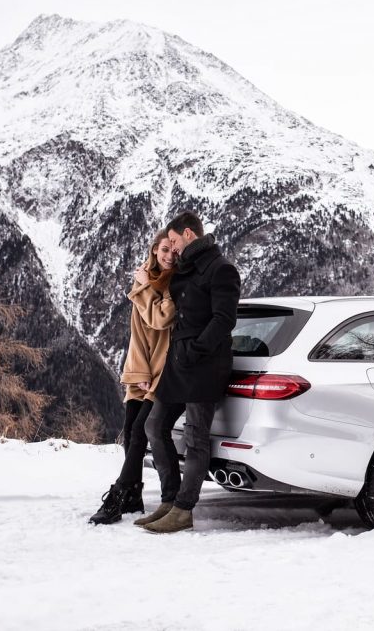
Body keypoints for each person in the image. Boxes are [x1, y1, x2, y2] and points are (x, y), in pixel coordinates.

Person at [135, 211, 241, 534]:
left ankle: (184, 510)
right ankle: (169, 499)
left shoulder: (221, 270)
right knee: (154, 425)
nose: (172, 247)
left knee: (196, 439)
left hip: (205, 365)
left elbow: (224, 319)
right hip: (179, 365)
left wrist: (196, 350)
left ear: (189, 235)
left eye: (175, 241)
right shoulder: (187, 268)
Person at [88, 228, 177, 525]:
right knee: (130, 432)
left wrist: (144, 288)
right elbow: (138, 334)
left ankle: (117, 495)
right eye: (164, 250)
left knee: (141, 430)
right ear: (154, 250)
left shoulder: (174, 283)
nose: (168, 256)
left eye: (173, 251)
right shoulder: (144, 280)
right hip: (144, 367)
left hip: (165, 369)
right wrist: (139, 373)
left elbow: (162, 319)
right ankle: (134, 494)